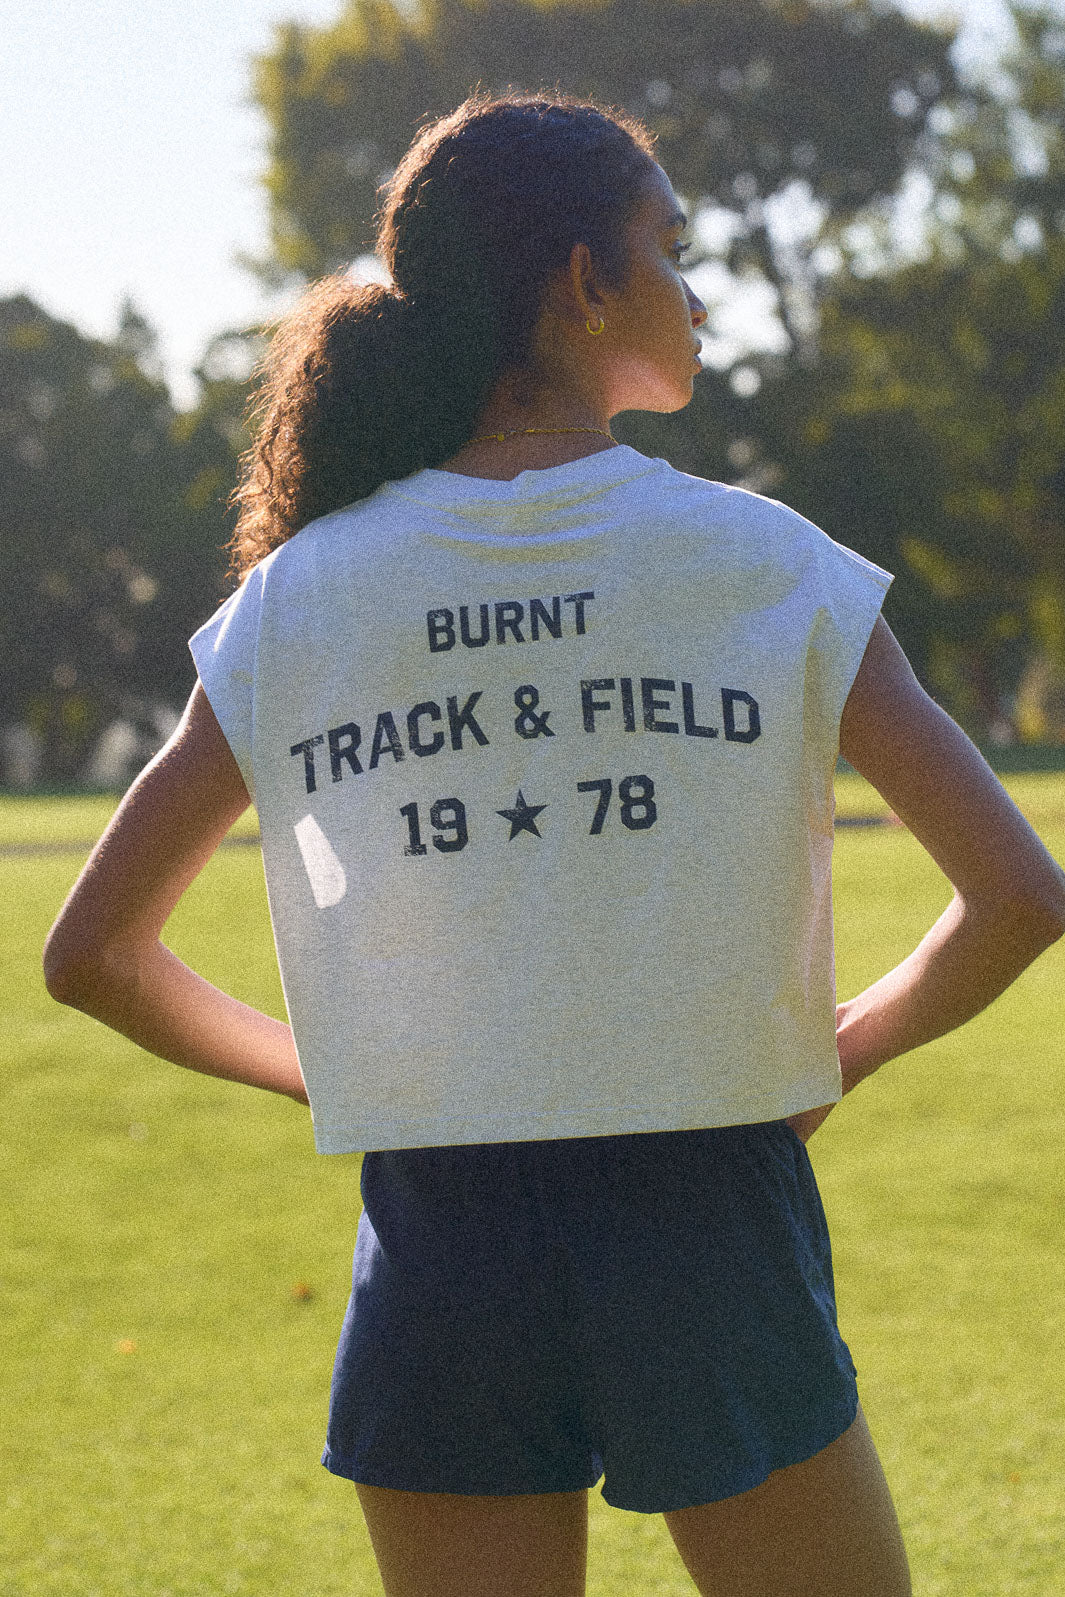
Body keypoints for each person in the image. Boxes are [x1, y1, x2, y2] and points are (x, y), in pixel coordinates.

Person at [44, 90, 1065, 1597]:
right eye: (671, 248)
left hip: (440, 1232)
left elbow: (93, 956)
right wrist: (837, 1051)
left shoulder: (295, 597)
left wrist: (341, 1074)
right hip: (711, 1212)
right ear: (586, 282)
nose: (698, 291)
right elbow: (1020, 895)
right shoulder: (766, 562)